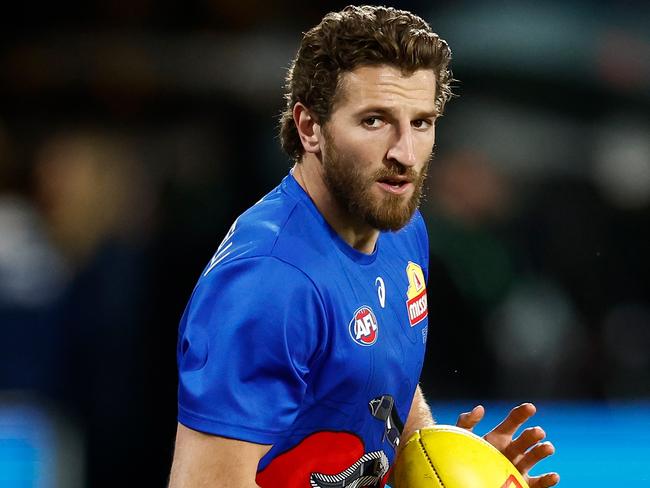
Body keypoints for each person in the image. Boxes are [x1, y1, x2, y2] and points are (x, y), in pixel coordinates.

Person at [169, 6, 560, 487]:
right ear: (310, 127)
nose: (405, 154)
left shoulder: (401, 228)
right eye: (375, 121)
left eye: (420, 122)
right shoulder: (269, 284)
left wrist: (446, 465)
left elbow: (373, 378)